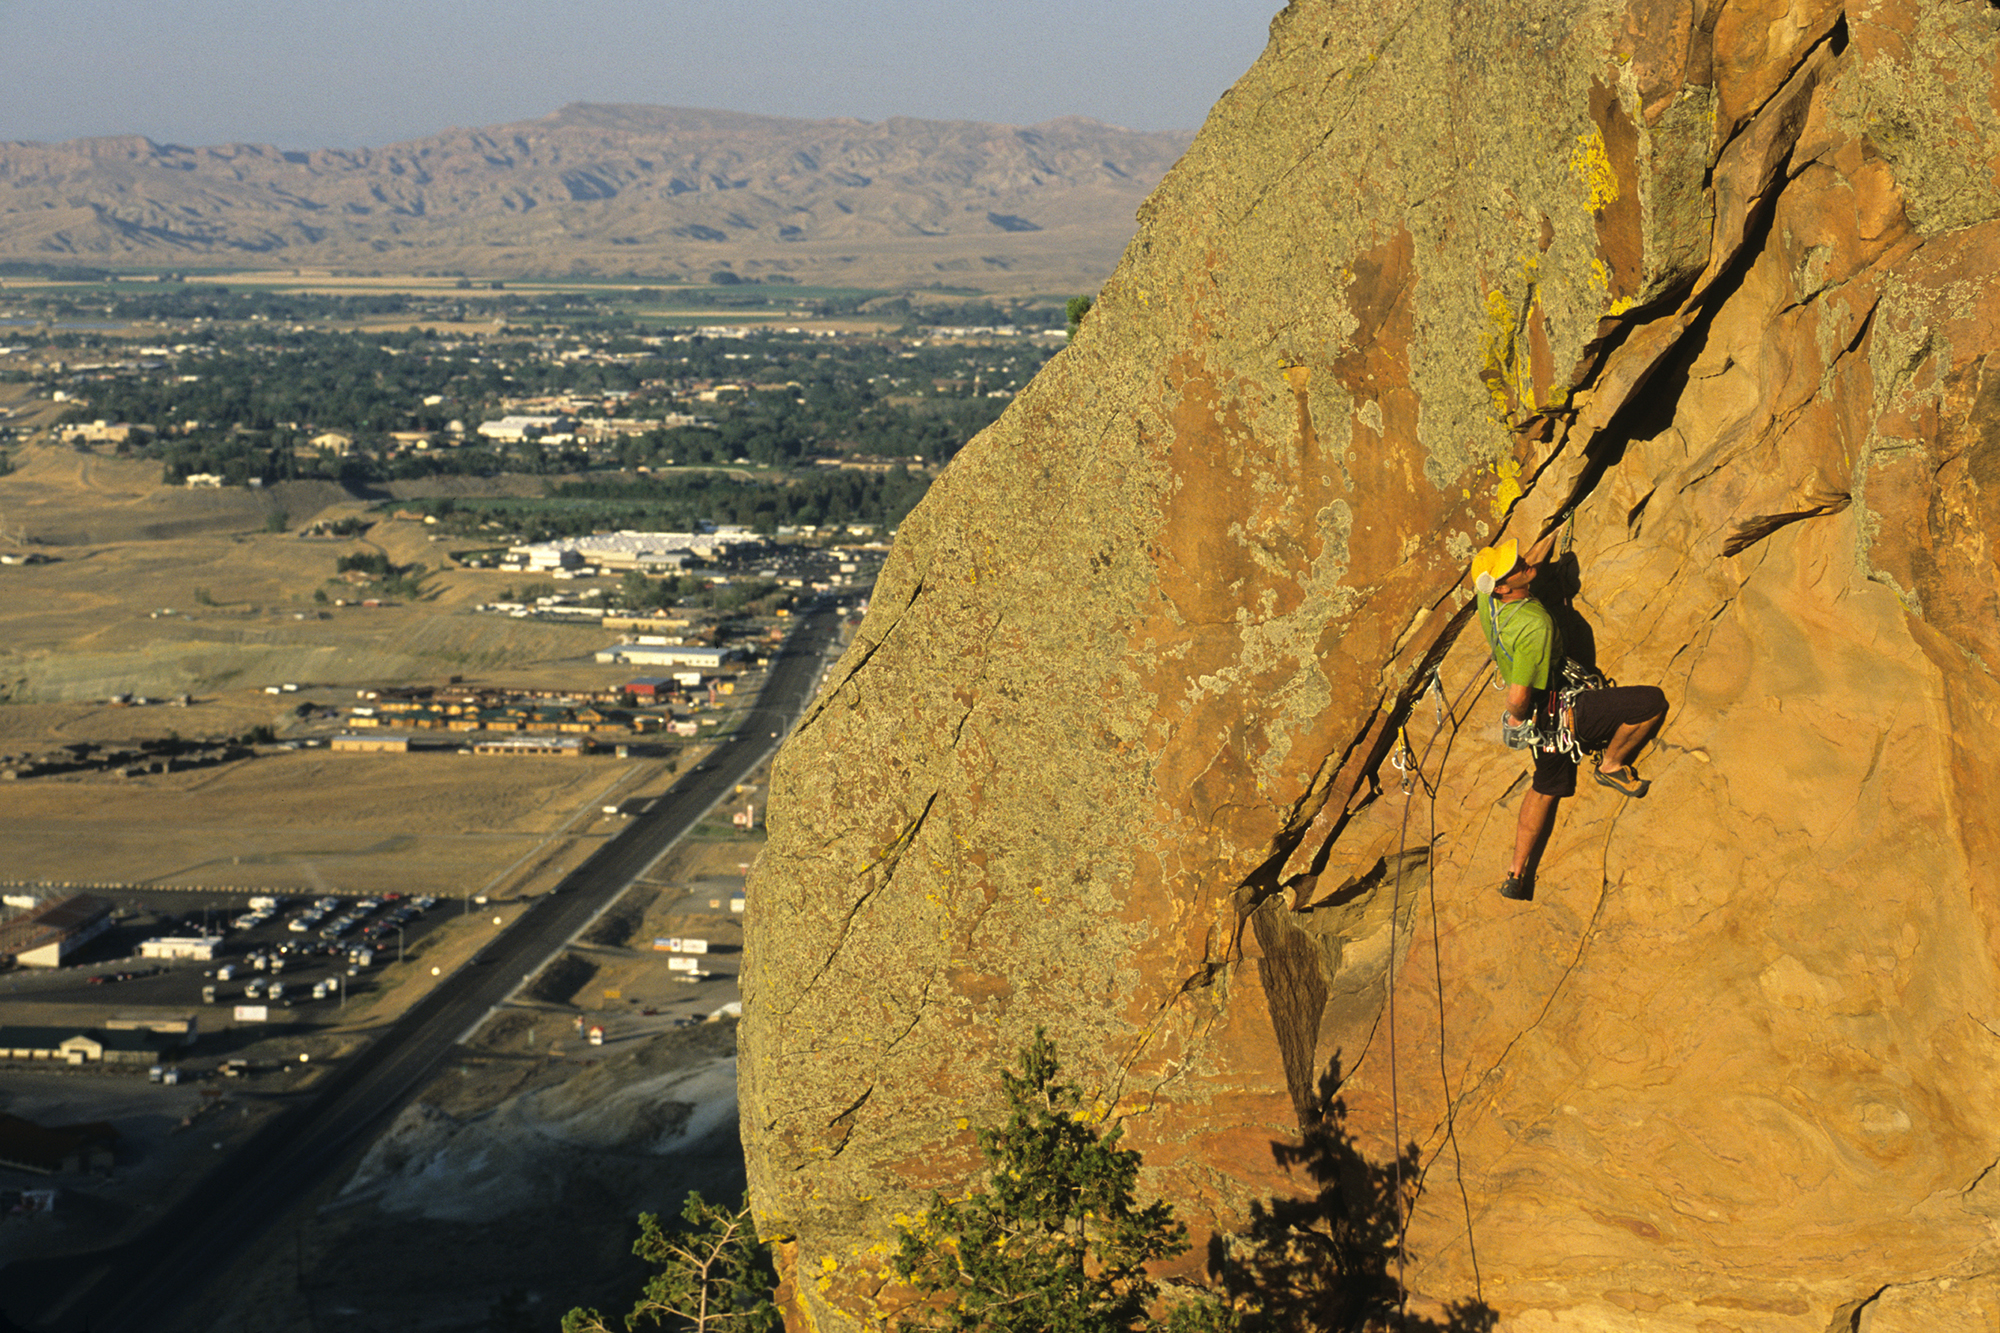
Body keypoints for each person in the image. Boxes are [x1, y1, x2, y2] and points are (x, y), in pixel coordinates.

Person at [1470, 538, 1668, 902]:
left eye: (1518, 559)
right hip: (1560, 709)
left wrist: (1554, 533)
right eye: (1514, 566)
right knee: (1650, 702)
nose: (1523, 562)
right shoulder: (1534, 626)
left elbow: (1527, 562)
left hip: (1543, 717)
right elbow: (1518, 697)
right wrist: (1514, 720)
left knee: (1545, 787)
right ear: (1502, 588)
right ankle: (1611, 765)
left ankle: (1515, 873)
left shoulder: (1488, 598)